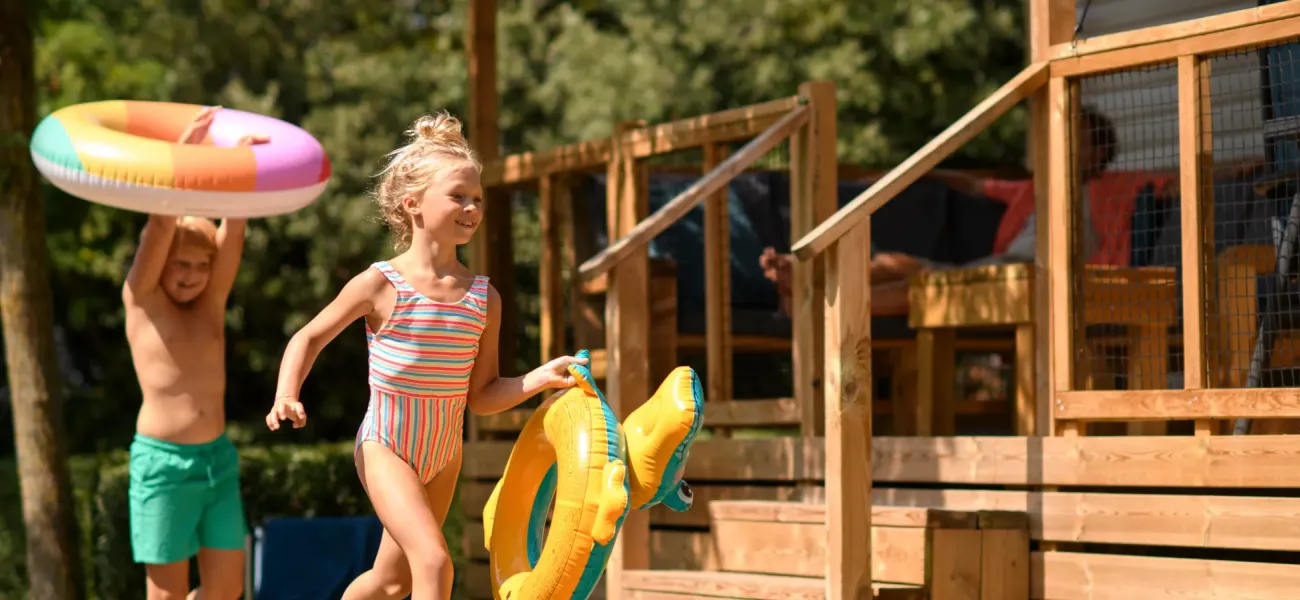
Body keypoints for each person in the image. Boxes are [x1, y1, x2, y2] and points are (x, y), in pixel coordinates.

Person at [264, 112, 587, 600]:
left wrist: (540, 377)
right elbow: (307, 338)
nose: (472, 207)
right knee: (434, 562)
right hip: (386, 447)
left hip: (443, 456)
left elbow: (482, 395)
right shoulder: (380, 284)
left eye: (477, 198)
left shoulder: (484, 298)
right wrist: (286, 394)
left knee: (392, 582)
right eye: (458, 196)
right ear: (412, 203)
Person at [761, 105, 1119, 316]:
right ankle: (804, 272)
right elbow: (974, 185)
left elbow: (1105, 252)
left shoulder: (1108, 194)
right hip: (1001, 272)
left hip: (1043, 284)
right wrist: (909, 173)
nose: (1062, 143)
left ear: (1099, 154)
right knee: (899, 264)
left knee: (921, 286)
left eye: (1076, 137)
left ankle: (815, 308)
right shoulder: (1034, 188)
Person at [124, 106, 270, 600]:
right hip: (163, 467)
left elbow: (234, 232)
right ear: (161, 265)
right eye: (181, 265)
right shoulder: (142, 299)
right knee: (165, 595)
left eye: (201, 265)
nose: (192, 275)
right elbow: (159, 227)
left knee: (227, 591)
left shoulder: (211, 303)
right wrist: (182, 157)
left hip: (217, 462)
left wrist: (240, 166)